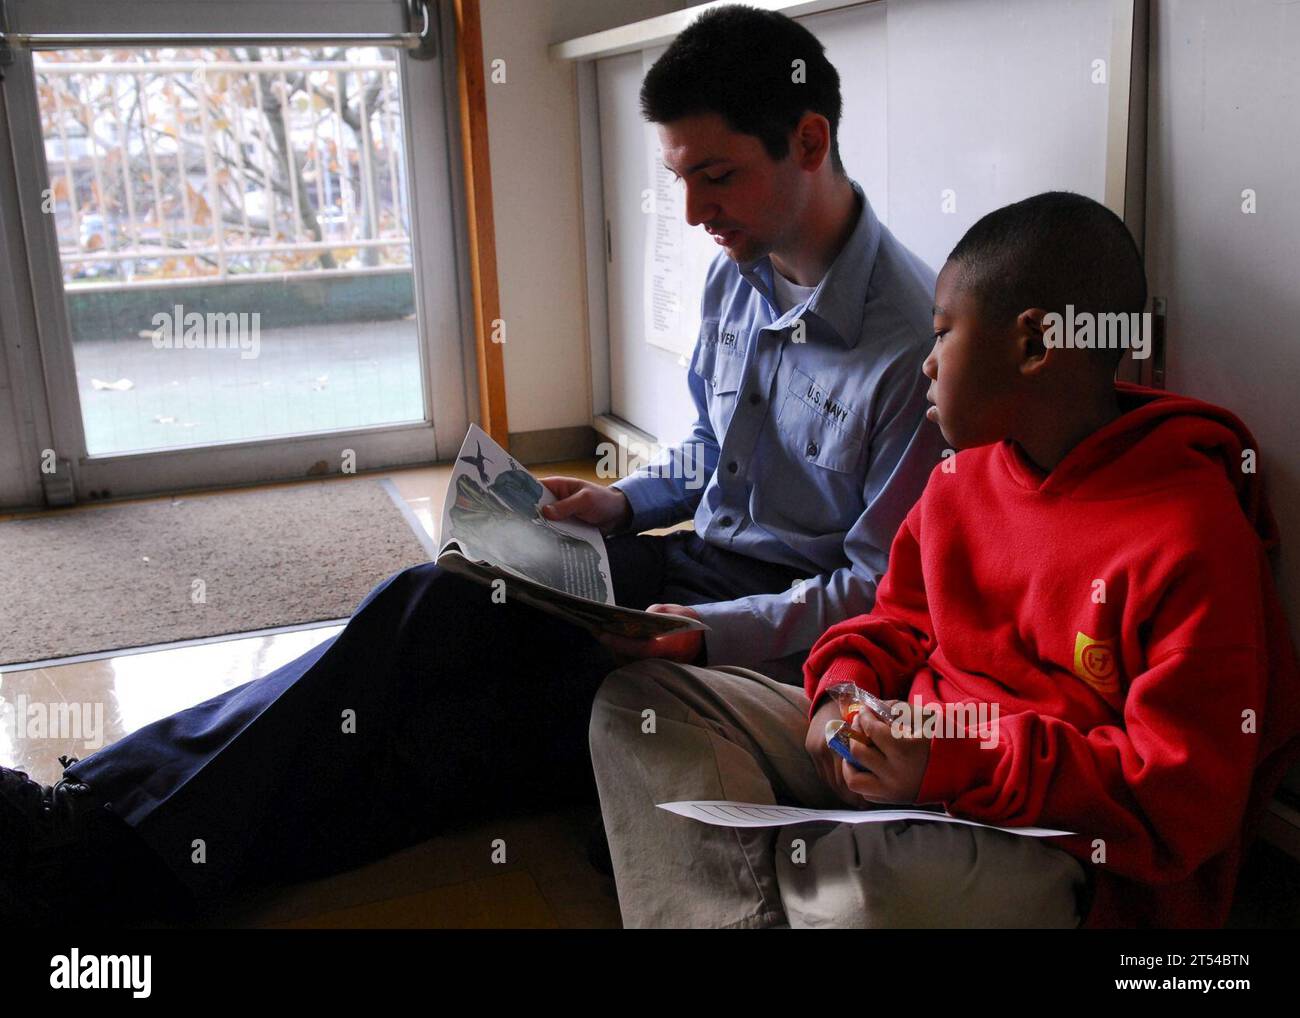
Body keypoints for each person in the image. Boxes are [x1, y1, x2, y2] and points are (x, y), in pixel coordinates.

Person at [0, 5, 944, 925]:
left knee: (446, 732)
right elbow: (709, 447)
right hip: (683, 574)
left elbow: (874, 593)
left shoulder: (916, 352)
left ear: (809, 142)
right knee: (431, 607)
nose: (694, 211)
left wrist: (706, 634)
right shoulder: (738, 272)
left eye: (718, 177)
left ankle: (106, 855)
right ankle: (94, 809)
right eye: (681, 179)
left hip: (773, 647)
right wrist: (617, 505)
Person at [588, 191, 1300, 929]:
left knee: (874, 893)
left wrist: (955, 759)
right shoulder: (961, 479)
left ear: (1032, 346)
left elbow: (1181, 799)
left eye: (942, 333)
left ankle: (781, 880)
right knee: (640, 704)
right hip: (894, 752)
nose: (925, 364)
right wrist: (842, 695)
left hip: (1034, 834)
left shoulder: (1190, 535)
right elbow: (891, 621)